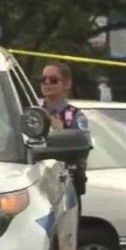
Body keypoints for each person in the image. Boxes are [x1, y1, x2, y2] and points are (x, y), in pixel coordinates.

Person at [40, 62, 90, 205]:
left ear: (67, 84)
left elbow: (84, 149)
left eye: (53, 80)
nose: (47, 83)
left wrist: (61, 133)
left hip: (67, 184)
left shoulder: (74, 116)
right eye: (44, 80)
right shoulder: (34, 114)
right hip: (39, 183)